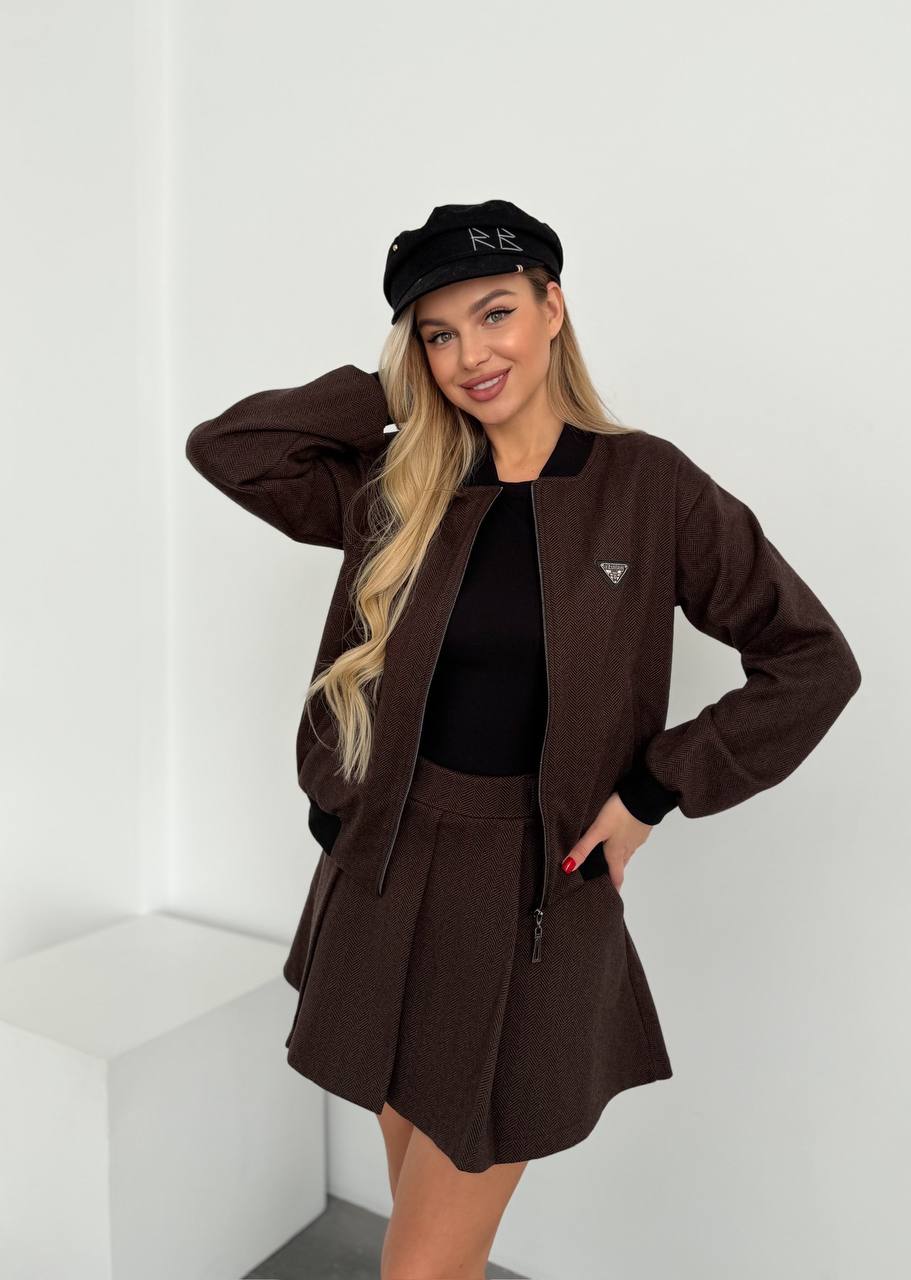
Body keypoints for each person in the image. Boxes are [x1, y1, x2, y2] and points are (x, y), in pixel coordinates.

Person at [184, 199, 861, 1279]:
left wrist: (654, 791)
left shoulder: (648, 487)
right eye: (439, 333)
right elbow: (229, 449)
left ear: (554, 306)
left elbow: (813, 660)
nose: (471, 355)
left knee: (419, 1265)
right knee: (426, 1236)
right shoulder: (403, 484)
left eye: (495, 313)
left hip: (533, 892)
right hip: (382, 869)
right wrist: (393, 389)